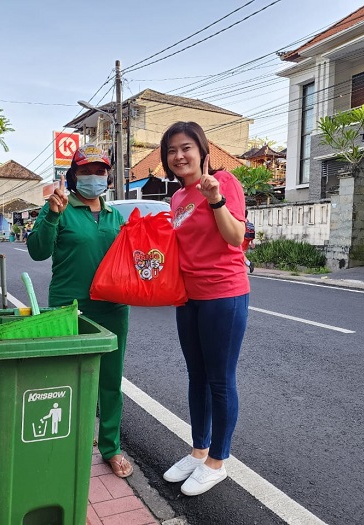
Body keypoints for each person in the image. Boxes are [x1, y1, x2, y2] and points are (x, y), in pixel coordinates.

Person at [26, 144, 133, 478]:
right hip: (68, 309)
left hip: (113, 310)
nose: (93, 177)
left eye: (100, 171)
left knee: (110, 383)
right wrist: (52, 216)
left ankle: (111, 448)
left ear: (107, 177)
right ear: (73, 176)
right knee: (69, 381)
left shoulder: (116, 216)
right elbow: (37, 251)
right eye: (85, 171)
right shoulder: (59, 207)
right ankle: (71, 443)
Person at [160, 121, 250, 496]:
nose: (179, 156)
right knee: (196, 376)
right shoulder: (177, 199)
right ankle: (199, 452)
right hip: (189, 297)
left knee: (219, 379)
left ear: (202, 151)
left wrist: (215, 199)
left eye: (186, 148)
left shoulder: (224, 182)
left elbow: (235, 238)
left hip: (223, 295)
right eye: (172, 151)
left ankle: (218, 461)